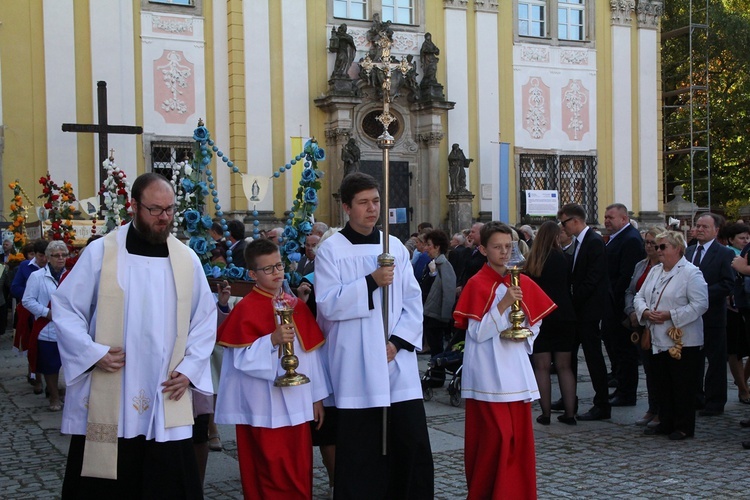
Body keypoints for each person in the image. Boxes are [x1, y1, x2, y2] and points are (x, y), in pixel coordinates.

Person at [52, 173, 217, 498]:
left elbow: (204, 319)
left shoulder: (186, 259)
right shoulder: (102, 253)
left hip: (164, 390)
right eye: (155, 209)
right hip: (110, 388)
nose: (164, 217)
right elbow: (65, 306)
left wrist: (190, 368)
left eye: (169, 209)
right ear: (133, 207)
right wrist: (91, 352)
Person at [315, 172, 434, 499]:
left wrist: (397, 342)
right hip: (356, 365)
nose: (372, 209)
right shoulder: (331, 250)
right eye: (364, 203)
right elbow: (327, 305)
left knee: (410, 444)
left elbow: (412, 300)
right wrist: (370, 281)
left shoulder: (394, 246)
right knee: (362, 453)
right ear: (346, 207)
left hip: (396, 364)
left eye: (376, 201)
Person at [215, 238, 328, 499]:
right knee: (265, 471)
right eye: (269, 269)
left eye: (279, 266)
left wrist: (318, 397)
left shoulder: (295, 305)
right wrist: (271, 340)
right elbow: (239, 360)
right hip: (262, 408)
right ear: (252, 274)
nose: (277, 273)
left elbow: (311, 355)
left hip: (298, 403)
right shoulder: (245, 309)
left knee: (298, 468)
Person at [453, 221, 555, 499]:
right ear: (483, 249)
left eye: (508, 246)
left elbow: (536, 322)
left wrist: (525, 335)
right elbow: (476, 332)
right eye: (497, 247)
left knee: (518, 441)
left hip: (516, 369)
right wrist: (503, 304)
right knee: (495, 439)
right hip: (487, 372)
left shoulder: (521, 279)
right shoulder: (477, 283)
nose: (503, 252)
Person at [634, 231, 708, 440]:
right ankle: (665, 421)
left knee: (682, 384)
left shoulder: (691, 273)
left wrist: (671, 315)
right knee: (661, 382)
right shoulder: (655, 270)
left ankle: (683, 426)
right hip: (657, 336)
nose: (658, 251)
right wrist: (645, 312)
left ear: (678, 249)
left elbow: (701, 304)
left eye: (663, 247)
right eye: (657, 247)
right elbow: (640, 295)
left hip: (682, 339)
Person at [558, 203, 611, 421]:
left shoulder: (593, 241)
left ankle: (602, 403)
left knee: (593, 357)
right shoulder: (578, 242)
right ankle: (568, 396)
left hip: (589, 311)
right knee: (568, 355)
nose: (563, 227)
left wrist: (574, 297)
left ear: (575, 221)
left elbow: (593, 278)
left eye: (564, 223)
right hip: (579, 311)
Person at [525, 221, 578, 425]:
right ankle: (570, 413)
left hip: (541, 315)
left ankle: (545, 413)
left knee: (542, 367)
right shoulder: (565, 258)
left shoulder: (533, 261)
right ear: (555, 237)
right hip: (564, 314)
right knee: (565, 367)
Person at [685, 213, 734, 416]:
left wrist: (700, 294)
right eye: (698, 226)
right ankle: (696, 397)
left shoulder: (723, 253)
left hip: (712, 314)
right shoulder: (688, 252)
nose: (700, 230)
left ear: (716, 230)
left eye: (705, 226)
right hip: (690, 316)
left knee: (715, 360)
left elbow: (727, 284)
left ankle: (715, 401)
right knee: (692, 358)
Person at [603, 203, 645, 407]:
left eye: (611, 217)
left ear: (624, 218)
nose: (607, 221)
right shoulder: (617, 238)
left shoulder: (630, 239)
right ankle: (620, 387)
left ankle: (627, 393)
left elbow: (626, 276)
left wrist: (619, 306)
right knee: (617, 349)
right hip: (612, 304)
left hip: (620, 306)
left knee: (626, 352)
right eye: (605, 217)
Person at [624, 227, 666, 428]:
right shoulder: (641, 265)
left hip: (660, 322)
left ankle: (662, 410)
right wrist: (632, 311)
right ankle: (652, 407)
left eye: (654, 243)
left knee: (661, 370)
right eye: (647, 242)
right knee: (649, 368)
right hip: (641, 322)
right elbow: (631, 291)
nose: (649, 247)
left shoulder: (667, 267)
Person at [22, 240, 69, 412]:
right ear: (48, 258)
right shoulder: (37, 276)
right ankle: (54, 396)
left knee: (66, 363)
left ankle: (65, 393)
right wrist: (46, 312)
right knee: (50, 366)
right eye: (56, 255)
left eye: (63, 255)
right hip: (46, 328)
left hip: (68, 329)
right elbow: (27, 300)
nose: (61, 258)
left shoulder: (71, 275)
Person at [11, 239, 49, 394]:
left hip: (48, 310)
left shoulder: (53, 266)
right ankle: (37, 378)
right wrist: (31, 295)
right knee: (32, 344)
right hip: (29, 312)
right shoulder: (25, 267)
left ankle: (49, 381)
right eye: (41, 256)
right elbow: (15, 288)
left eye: (46, 256)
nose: (44, 259)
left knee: (47, 347)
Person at [720, 222, 750, 404]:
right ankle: (743, 388)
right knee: (736, 350)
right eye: (741, 238)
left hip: (746, 305)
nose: (745, 241)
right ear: (731, 239)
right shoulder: (728, 254)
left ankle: (744, 383)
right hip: (733, 309)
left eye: (747, 237)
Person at [420, 229, 456, 356]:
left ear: (437, 247)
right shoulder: (432, 264)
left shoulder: (444, 265)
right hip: (430, 311)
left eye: (429, 245)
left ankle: (437, 374)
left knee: (437, 347)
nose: (426, 248)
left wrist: (446, 316)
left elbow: (449, 291)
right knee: (433, 344)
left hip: (437, 314)